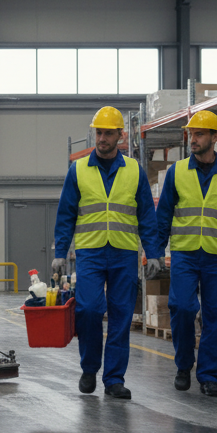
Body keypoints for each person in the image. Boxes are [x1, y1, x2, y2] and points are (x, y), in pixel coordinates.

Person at [53, 106, 161, 399]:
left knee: (121, 316)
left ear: (120, 136)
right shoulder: (78, 170)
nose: (102, 138)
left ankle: (114, 379)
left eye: (108, 133)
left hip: (124, 253)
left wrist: (152, 252)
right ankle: (89, 368)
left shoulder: (134, 170)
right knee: (88, 310)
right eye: (98, 133)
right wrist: (60, 252)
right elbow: (66, 215)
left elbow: (146, 215)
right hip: (90, 252)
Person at [154, 110, 217, 397]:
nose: (193, 139)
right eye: (191, 134)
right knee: (182, 308)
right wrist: (156, 252)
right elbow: (163, 216)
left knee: (214, 315)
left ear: (215, 137)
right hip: (184, 254)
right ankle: (184, 365)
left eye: (199, 134)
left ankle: (208, 376)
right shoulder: (176, 172)